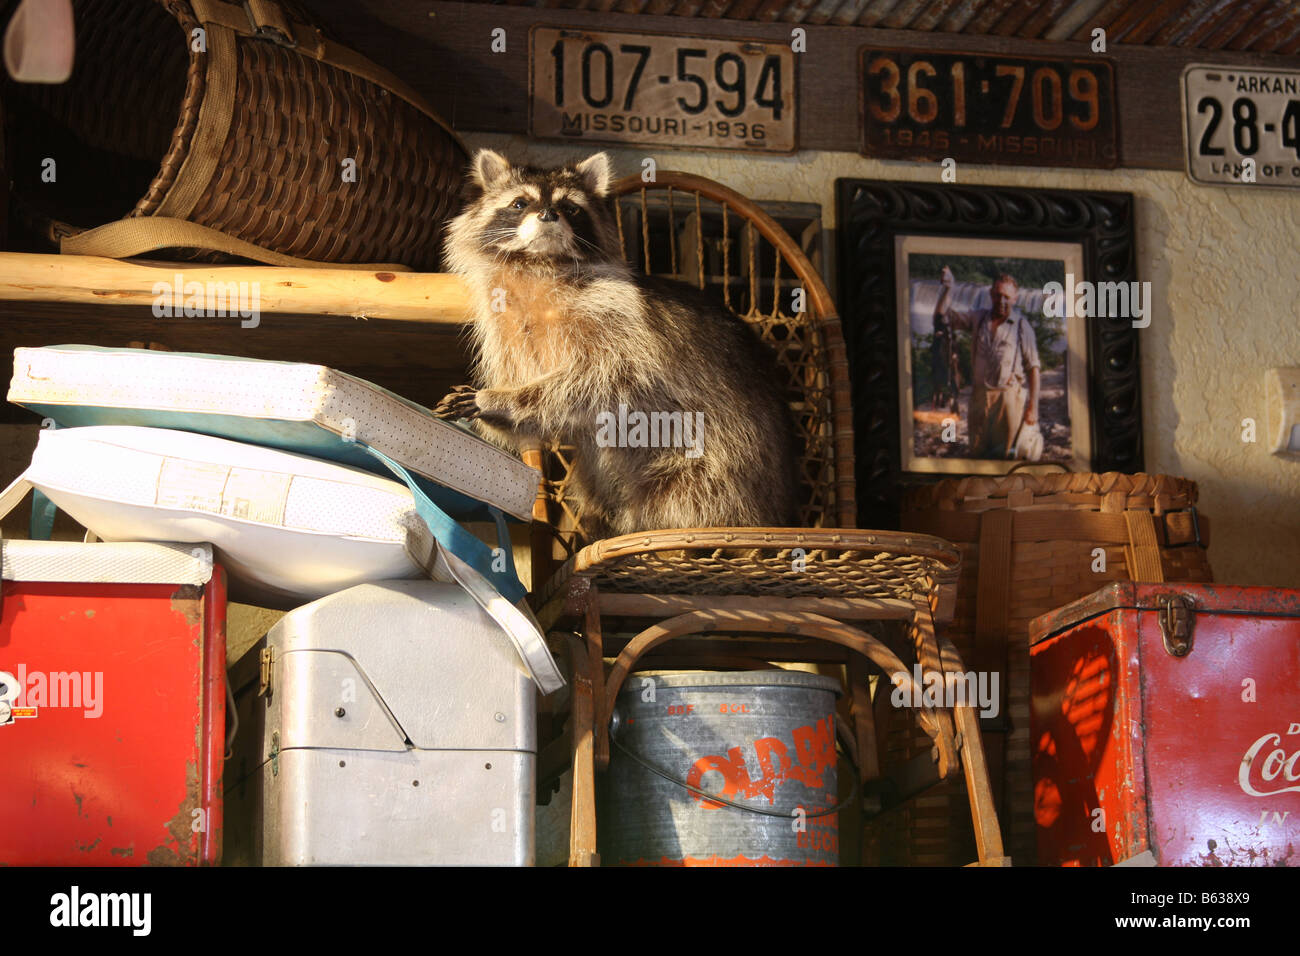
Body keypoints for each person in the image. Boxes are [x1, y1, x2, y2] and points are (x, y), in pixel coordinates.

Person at [933, 267, 1040, 459]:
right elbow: (942, 318)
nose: (1002, 301)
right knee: (977, 452)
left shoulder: (1023, 326)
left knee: (1005, 456)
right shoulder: (978, 318)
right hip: (979, 396)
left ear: (1015, 298)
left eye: (1007, 296)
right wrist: (949, 288)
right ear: (991, 294)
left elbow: (1034, 368)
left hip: (1008, 400)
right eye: (998, 295)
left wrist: (1033, 407)